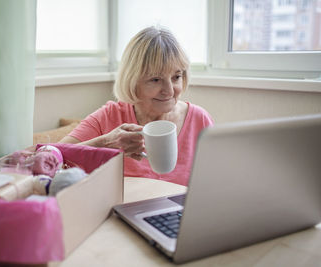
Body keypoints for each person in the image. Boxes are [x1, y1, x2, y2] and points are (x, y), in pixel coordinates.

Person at [59, 26, 213, 186]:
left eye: (176, 77)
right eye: (155, 79)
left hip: (182, 211)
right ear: (132, 81)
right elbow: (44, 156)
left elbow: (218, 182)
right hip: (121, 210)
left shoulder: (199, 119)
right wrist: (105, 143)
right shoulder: (109, 116)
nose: (169, 91)